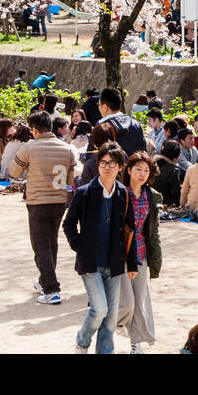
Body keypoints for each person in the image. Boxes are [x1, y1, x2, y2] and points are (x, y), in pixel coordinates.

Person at [62, 142, 138, 353]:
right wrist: (80, 246)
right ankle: (82, 342)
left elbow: (129, 229)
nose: (107, 167)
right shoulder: (85, 192)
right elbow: (68, 224)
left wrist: (132, 263)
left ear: (120, 167)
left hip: (114, 263)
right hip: (90, 262)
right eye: (103, 162)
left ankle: (105, 351)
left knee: (112, 316)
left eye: (112, 163)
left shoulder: (123, 194)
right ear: (97, 165)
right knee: (99, 309)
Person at [7, 111, 77, 305]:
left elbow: (13, 170)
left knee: (40, 245)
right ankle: (44, 280)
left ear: (34, 130)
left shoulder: (30, 147)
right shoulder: (68, 148)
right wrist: (68, 197)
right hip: (60, 202)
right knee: (51, 242)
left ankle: (52, 288)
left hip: (38, 202)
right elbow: (71, 181)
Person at [118, 151, 163, 353]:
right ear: (128, 170)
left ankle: (135, 343)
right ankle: (103, 325)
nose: (142, 174)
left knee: (139, 301)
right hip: (120, 256)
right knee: (126, 303)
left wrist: (156, 258)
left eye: (146, 170)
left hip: (142, 254)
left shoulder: (151, 196)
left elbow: (153, 231)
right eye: (138, 169)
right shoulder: (119, 193)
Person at [98, 88, 146, 158]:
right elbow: (143, 153)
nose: (98, 107)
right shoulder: (136, 124)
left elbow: (92, 157)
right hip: (134, 167)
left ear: (105, 107)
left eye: (99, 104)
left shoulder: (100, 128)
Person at [153, 141, 183, 206]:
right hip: (166, 204)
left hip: (152, 201)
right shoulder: (172, 170)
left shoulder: (154, 164)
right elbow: (177, 192)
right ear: (175, 158)